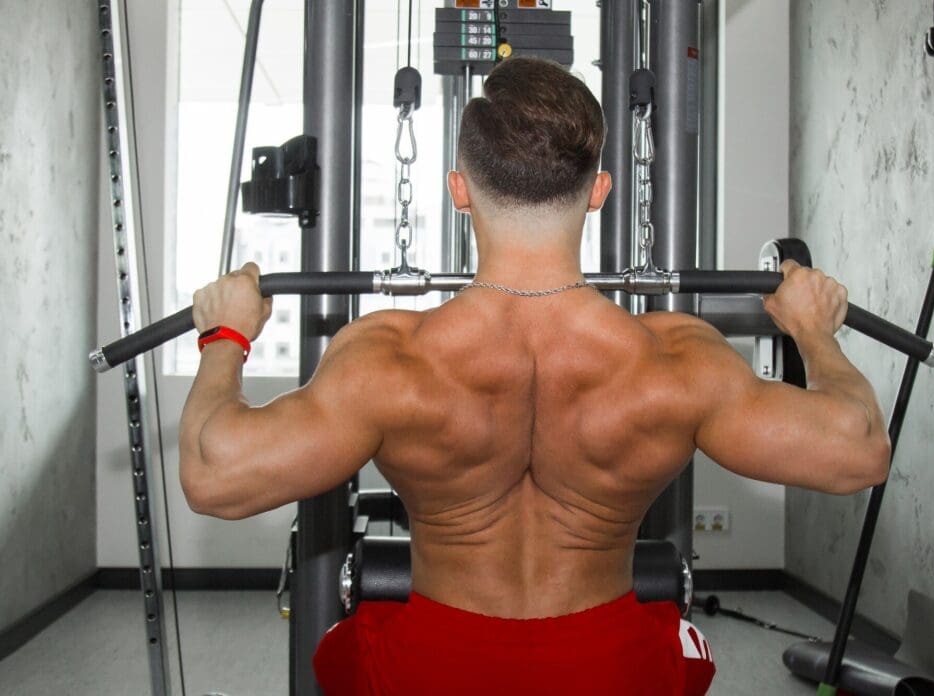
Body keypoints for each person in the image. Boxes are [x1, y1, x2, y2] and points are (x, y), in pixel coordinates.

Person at [179, 58, 890, 695]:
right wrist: (812, 331)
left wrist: (227, 334)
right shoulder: (676, 360)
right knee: (683, 652)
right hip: (607, 670)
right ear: (600, 190)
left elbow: (215, 472)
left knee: (344, 653)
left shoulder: (387, 359)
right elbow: (858, 448)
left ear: (460, 190)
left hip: (435, 667)